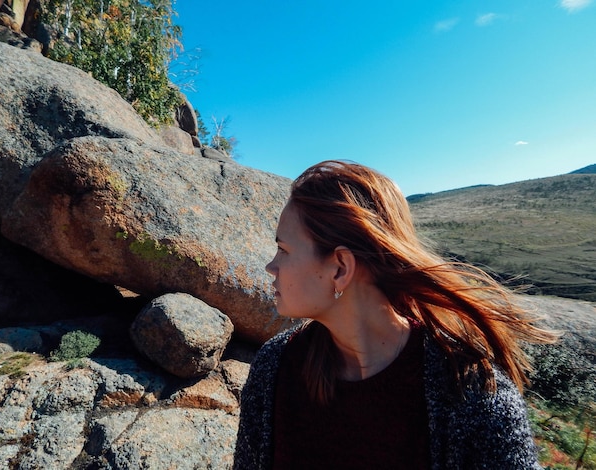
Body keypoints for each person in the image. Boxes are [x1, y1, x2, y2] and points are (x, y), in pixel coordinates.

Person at [233, 160, 556, 470]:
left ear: (340, 268)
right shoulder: (275, 366)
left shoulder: (470, 391)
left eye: (284, 250)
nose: (271, 266)